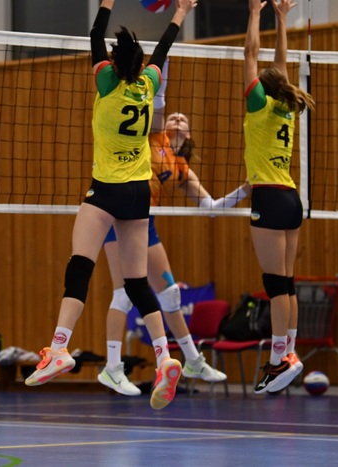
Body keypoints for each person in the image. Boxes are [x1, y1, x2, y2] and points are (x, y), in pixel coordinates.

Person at [24, 0, 197, 411]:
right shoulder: (147, 84)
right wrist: (180, 13)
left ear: (114, 64)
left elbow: (94, 36)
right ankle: (164, 357)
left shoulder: (107, 83)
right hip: (138, 192)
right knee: (137, 284)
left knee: (80, 267)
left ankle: (59, 347)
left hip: (106, 190)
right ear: (140, 66)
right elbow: (163, 51)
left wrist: (106, 3)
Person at [98, 60, 250, 395]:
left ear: (189, 134)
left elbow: (211, 208)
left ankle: (193, 360)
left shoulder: (181, 168)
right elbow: (159, 97)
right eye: (173, 117)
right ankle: (112, 367)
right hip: (117, 216)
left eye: (183, 120)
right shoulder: (154, 135)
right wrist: (163, 57)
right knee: (123, 293)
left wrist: (246, 189)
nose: (177, 119)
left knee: (170, 292)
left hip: (144, 221)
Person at [245, 0, 314, 394]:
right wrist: (282, 18)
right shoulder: (286, 104)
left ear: (261, 86)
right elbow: (279, 62)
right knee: (286, 282)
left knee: (275, 284)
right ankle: (289, 352)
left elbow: (251, 53)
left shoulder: (259, 104)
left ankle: (277, 361)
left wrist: (255, 13)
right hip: (290, 198)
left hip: (269, 198)